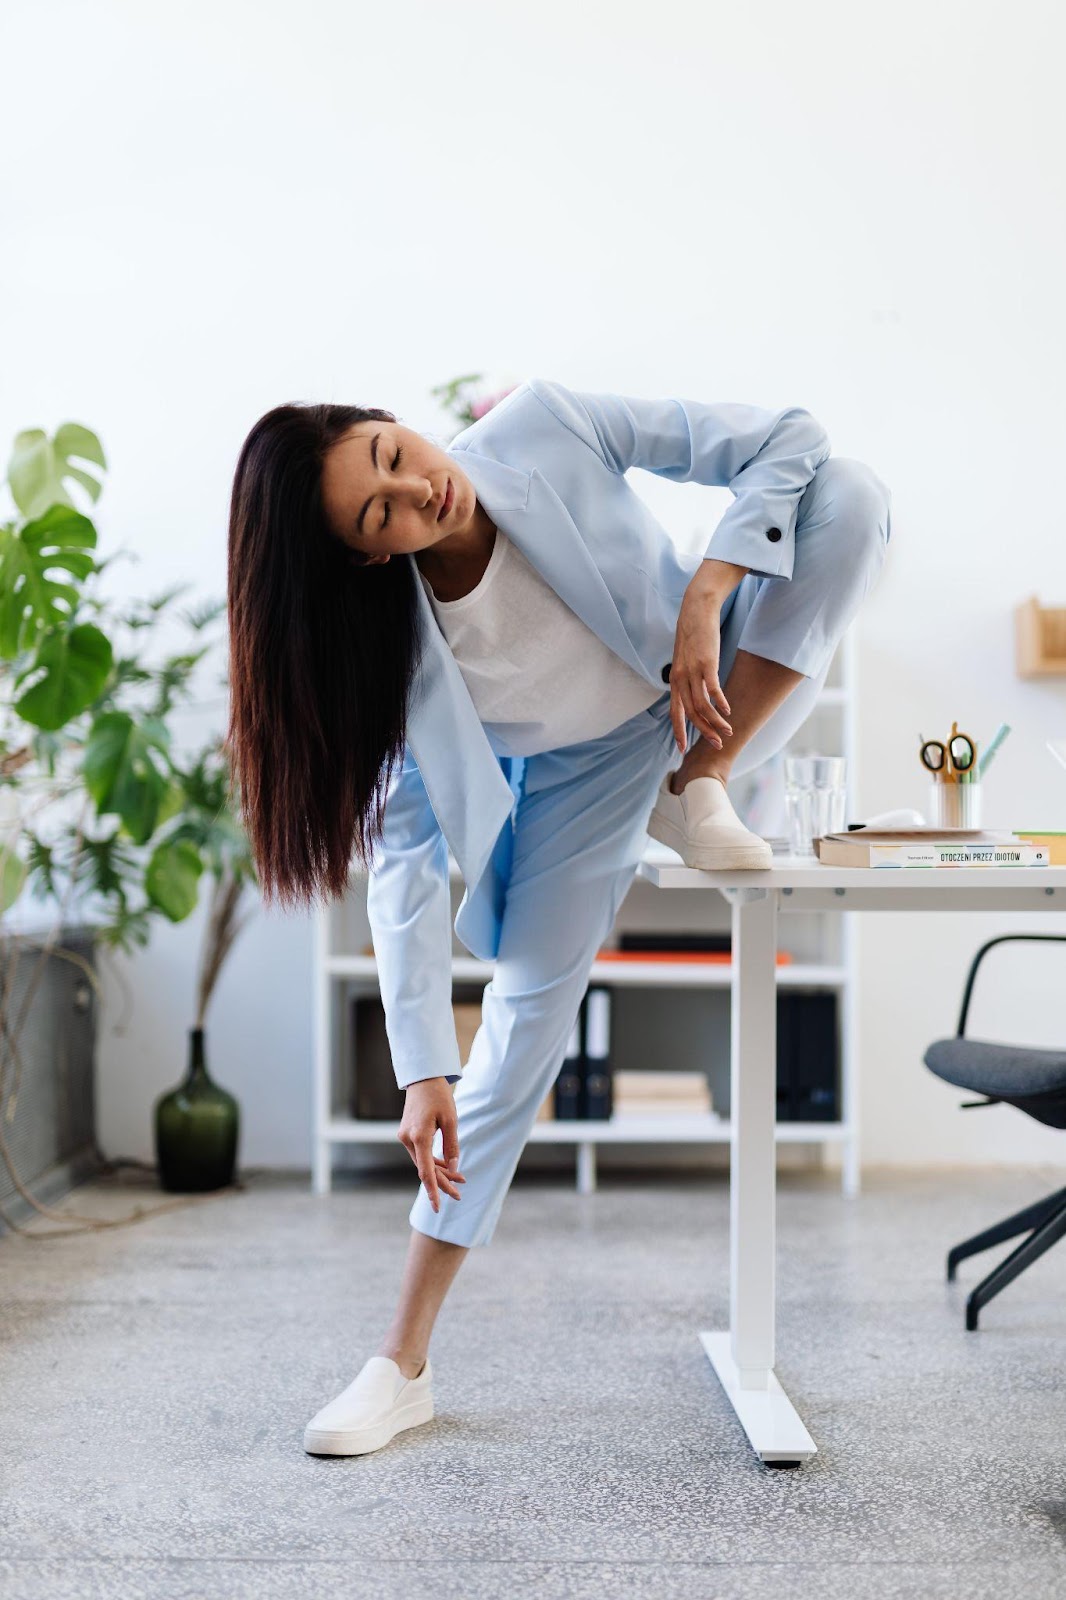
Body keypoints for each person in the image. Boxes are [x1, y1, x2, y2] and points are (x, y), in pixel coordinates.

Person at [225, 378, 892, 1458]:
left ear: (392, 420)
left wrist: (705, 593)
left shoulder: (541, 423)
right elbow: (404, 857)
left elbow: (791, 436)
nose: (415, 491)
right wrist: (420, 1067)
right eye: (376, 513)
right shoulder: (392, 649)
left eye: (393, 454)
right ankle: (400, 1363)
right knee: (524, 1028)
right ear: (360, 555)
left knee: (854, 496)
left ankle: (700, 784)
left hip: (694, 700)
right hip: (574, 780)